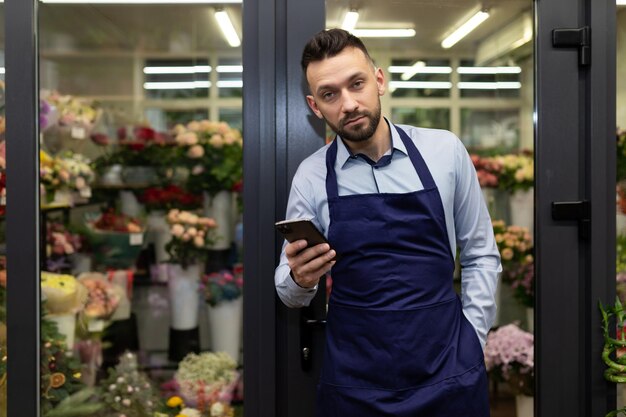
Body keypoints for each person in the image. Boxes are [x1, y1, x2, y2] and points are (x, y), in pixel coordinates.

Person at [274, 28, 501, 417]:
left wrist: (472, 340)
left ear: (379, 81)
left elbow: (480, 253)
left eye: (357, 84)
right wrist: (300, 279)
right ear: (316, 106)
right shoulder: (310, 177)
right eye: (330, 94)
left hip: (448, 369)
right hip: (355, 381)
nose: (348, 103)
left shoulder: (443, 151)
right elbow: (287, 289)